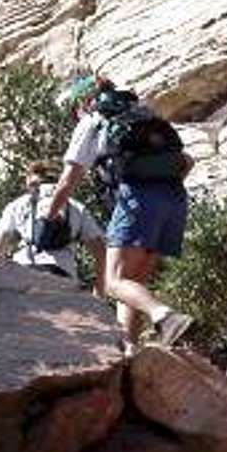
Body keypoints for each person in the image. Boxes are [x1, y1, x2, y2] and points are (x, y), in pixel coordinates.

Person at [45, 75, 195, 352]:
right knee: (133, 283)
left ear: (83, 101)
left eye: (72, 109)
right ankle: (129, 351)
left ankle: (165, 316)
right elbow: (186, 161)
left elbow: (68, 181)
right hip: (174, 199)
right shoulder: (144, 113)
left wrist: (48, 218)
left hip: (136, 198)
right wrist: (162, 193)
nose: (73, 115)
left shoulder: (92, 122)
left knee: (113, 282)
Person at [0, 161, 106, 295]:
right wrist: (99, 293)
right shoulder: (76, 207)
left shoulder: (18, 204)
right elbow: (100, 252)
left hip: (23, 272)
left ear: (29, 180)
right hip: (62, 275)